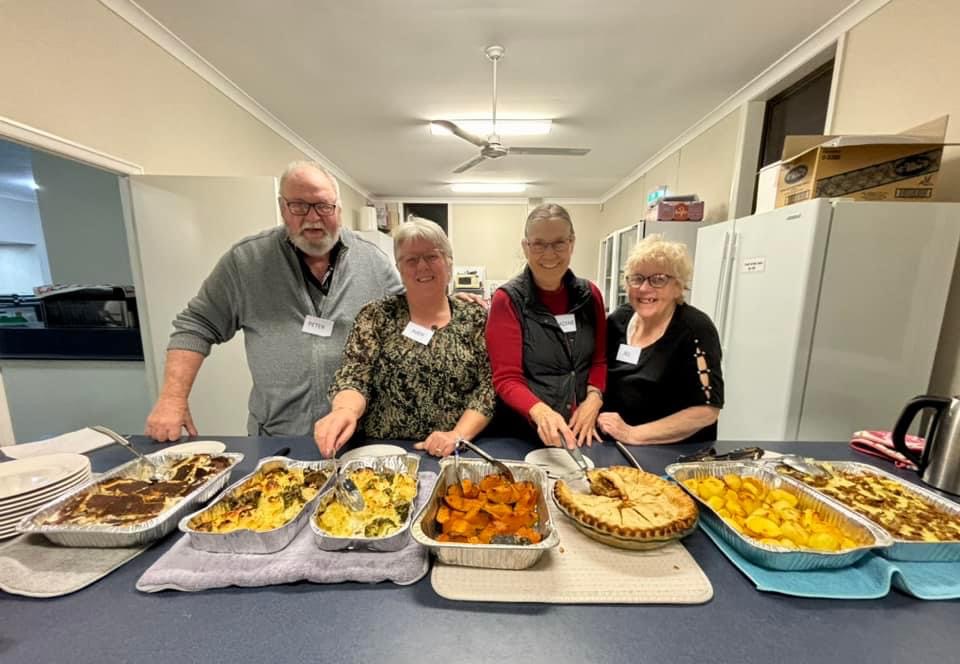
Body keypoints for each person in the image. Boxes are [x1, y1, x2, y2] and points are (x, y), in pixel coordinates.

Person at [144, 161, 402, 440]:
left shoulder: (373, 261)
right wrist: (172, 399)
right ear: (282, 207)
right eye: (299, 206)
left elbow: (411, 319)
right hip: (277, 437)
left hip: (359, 436)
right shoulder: (246, 261)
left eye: (323, 206)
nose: (313, 217)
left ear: (338, 209)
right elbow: (196, 325)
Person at [313, 217, 494, 458]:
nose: (422, 266)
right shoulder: (376, 315)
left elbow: (488, 387)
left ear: (449, 263)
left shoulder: (475, 318)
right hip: (382, 451)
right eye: (411, 260)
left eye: (431, 256)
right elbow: (355, 375)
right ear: (399, 268)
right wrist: (344, 410)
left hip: (454, 452)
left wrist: (457, 435)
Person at [486, 203, 606, 449]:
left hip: (583, 431)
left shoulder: (590, 295)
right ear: (525, 247)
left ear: (572, 243)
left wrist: (594, 399)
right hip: (527, 434)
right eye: (539, 244)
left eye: (559, 243)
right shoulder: (507, 300)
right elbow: (506, 378)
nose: (549, 254)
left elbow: (599, 360)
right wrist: (540, 412)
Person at [597, 234, 723, 445]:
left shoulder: (695, 330)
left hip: (672, 452)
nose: (644, 288)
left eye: (658, 279)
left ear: (678, 286)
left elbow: (706, 410)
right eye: (637, 278)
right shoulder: (618, 320)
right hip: (614, 445)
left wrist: (633, 434)